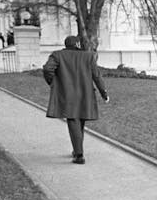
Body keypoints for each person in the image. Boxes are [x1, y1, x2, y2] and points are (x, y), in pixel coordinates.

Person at [43, 35, 109, 164]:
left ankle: (79, 154)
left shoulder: (57, 55)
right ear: (77, 44)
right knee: (80, 122)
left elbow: (47, 69)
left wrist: (53, 82)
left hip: (67, 94)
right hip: (85, 94)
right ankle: (77, 150)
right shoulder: (88, 56)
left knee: (73, 121)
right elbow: (97, 76)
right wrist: (104, 93)